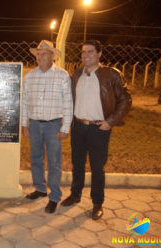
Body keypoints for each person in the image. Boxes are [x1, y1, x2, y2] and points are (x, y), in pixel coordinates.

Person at [61, 40, 132, 220]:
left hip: (99, 128)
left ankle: (97, 203)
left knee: (97, 167)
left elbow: (125, 100)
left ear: (99, 54)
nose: (86, 55)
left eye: (91, 52)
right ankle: (75, 194)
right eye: (83, 52)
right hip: (78, 127)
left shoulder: (111, 75)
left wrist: (111, 121)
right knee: (77, 164)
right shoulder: (77, 74)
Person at [22, 40, 73, 214]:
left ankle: (54, 196)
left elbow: (68, 103)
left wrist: (65, 127)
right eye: (38, 54)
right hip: (35, 124)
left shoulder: (62, 75)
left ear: (52, 56)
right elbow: (24, 102)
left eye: (45, 53)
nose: (41, 56)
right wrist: (24, 124)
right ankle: (41, 189)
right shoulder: (29, 76)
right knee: (36, 158)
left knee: (54, 162)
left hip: (53, 124)